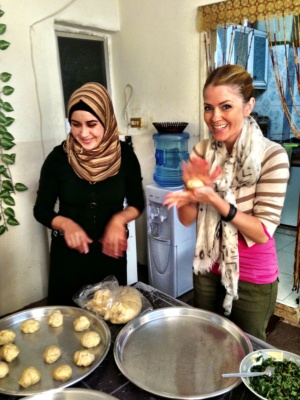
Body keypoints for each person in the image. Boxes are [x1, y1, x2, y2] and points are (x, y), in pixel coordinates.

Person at [163, 65, 290, 341]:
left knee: (247, 350)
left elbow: (261, 232)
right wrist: (190, 194)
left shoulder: (272, 156)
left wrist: (215, 200)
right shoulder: (201, 152)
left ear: (248, 106)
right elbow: (186, 219)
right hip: (208, 267)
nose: (215, 117)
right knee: (207, 341)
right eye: (208, 107)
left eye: (226, 106)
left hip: (252, 276)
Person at [34, 82, 145, 306]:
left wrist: (119, 219)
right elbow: (41, 210)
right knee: (66, 321)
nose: (83, 133)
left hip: (110, 254)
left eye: (92, 124)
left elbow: (137, 203)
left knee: (110, 317)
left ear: (107, 119)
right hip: (68, 257)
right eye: (75, 125)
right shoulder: (58, 159)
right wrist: (65, 223)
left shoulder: (126, 157)